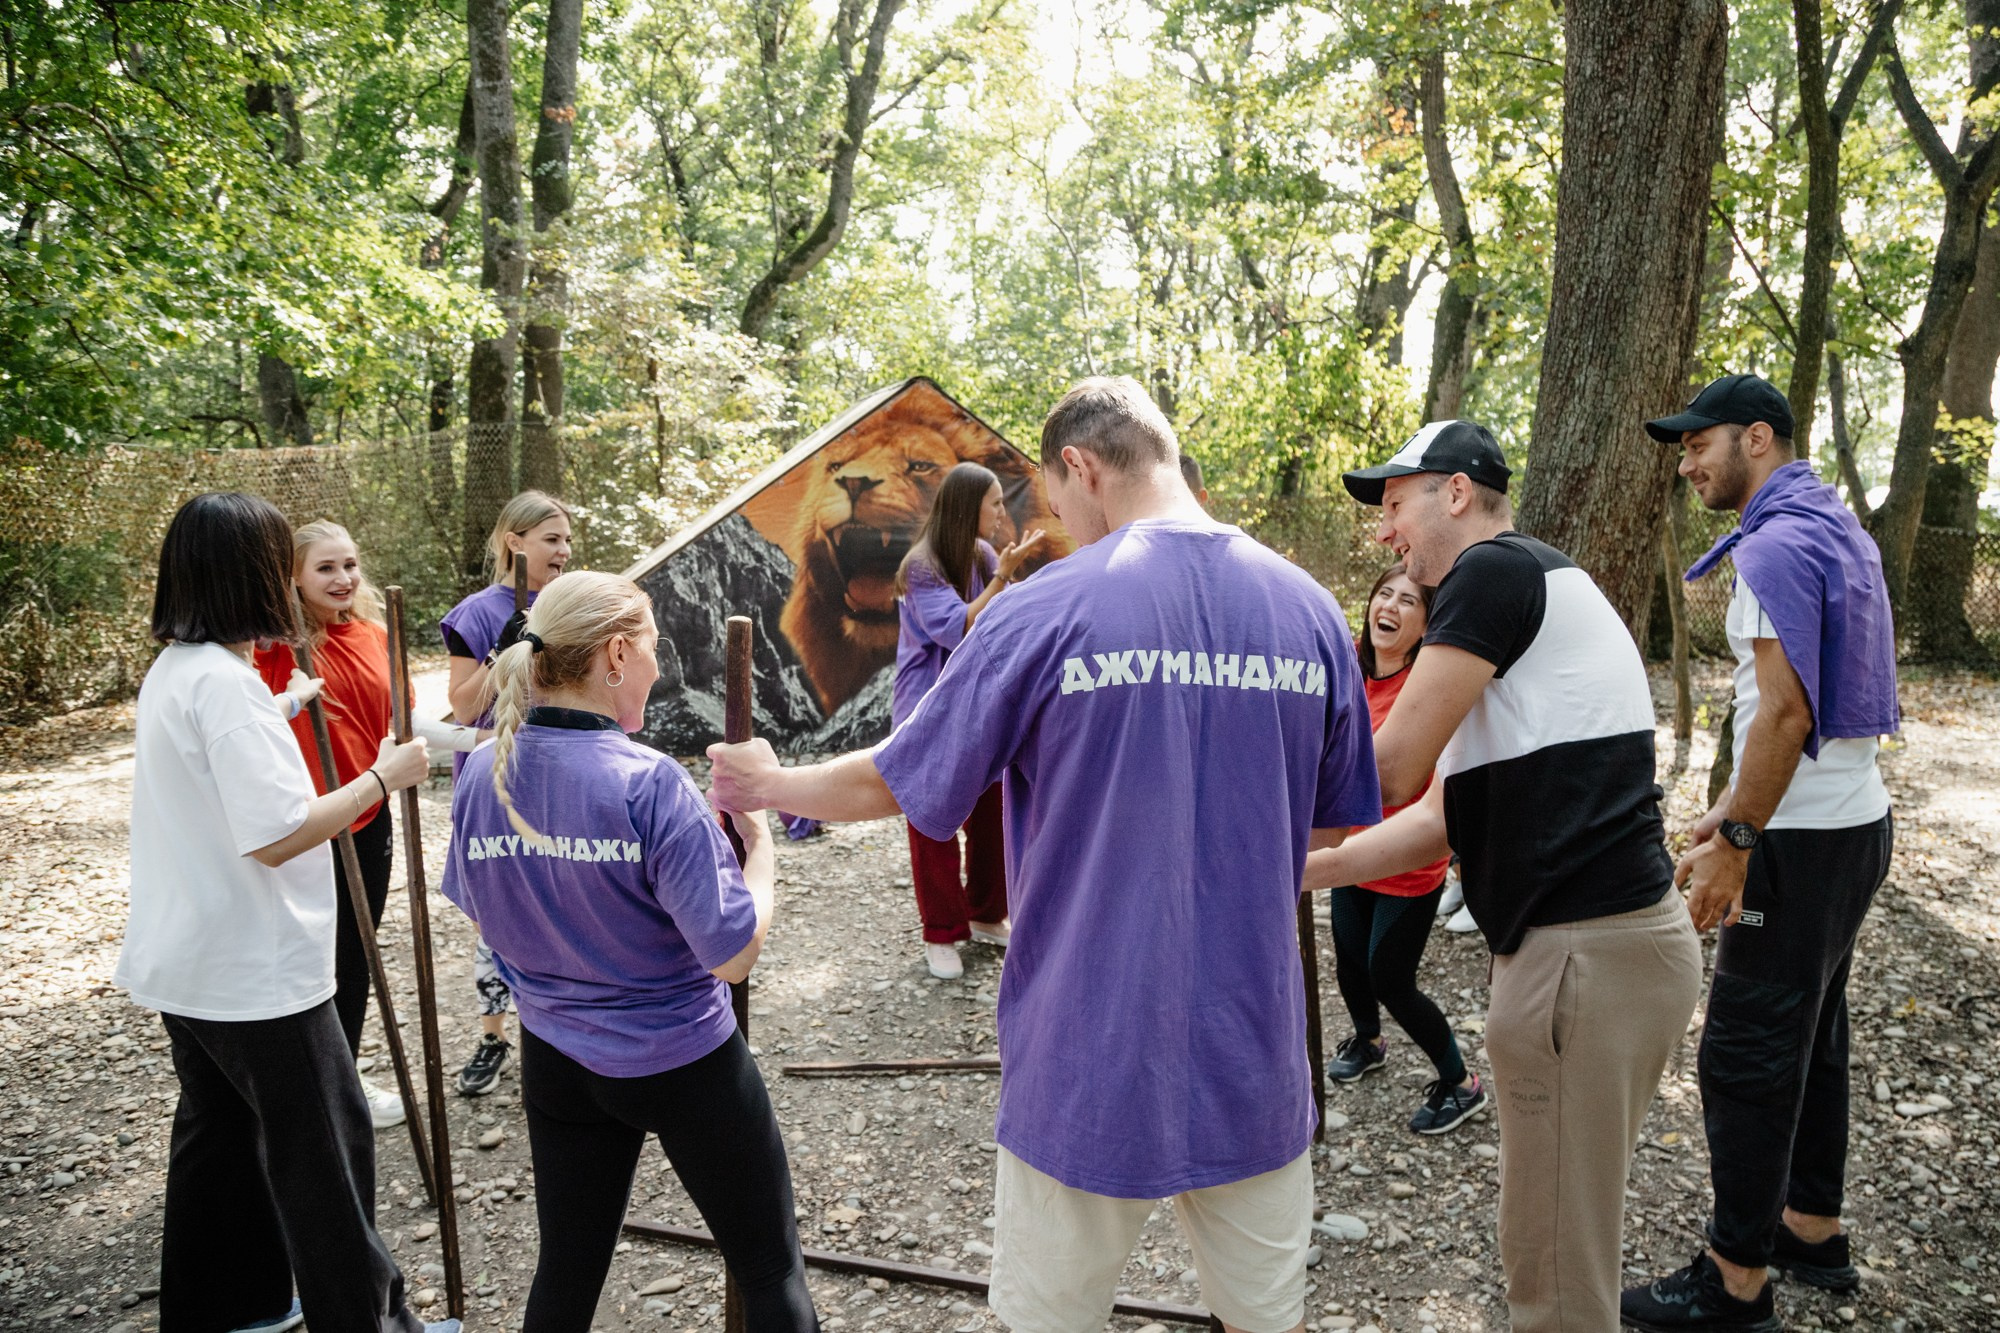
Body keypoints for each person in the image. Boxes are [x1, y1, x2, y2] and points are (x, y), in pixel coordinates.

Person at [710, 376, 1380, 1333]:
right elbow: (1324, 831)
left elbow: (908, 782)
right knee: (1266, 1320)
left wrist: (771, 784)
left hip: (1083, 1056)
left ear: (1082, 465)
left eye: (1058, 499)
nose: (1057, 519)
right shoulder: (1309, 609)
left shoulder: (1043, 609)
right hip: (1251, 1052)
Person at [1304, 419, 1702, 1333]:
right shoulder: (1521, 597)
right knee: (1555, 1236)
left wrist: (1240, 817)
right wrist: (1306, 866)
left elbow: (1390, 767)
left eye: (1394, 502)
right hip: (1602, 953)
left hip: (1582, 957)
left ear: (1454, 493)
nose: (1383, 531)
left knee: (1554, 1272)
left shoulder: (1491, 572)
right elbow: (1439, 816)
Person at [439, 571, 815, 1331]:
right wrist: (760, 850)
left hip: (556, 1060)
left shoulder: (483, 770)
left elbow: (486, 917)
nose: (655, 663)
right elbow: (733, 955)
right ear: (615, 653)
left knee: (568, 1268)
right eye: (650, 648)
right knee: (770, 1268)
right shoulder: (650, 784)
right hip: (683, 1062)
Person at [116, 492, 450, 1333]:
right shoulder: (224, 687)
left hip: (188, 963)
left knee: (219, 1143)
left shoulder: (180, 671)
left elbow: (220, 776)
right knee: (327, 1157)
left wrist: (283, 708)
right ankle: (369, 1323)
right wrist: (384, 778)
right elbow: (275, 835)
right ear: (252, 576)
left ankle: (232, 1309)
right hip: (254, 974)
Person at [1622, 375, 1898, 1333]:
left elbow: (1785, 709)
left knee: (1744, 1047)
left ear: (1758, 438)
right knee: (1814, 1031)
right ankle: (1809, 1226)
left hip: (1800, 840)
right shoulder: (1834, 524)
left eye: (1700, 444)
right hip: (1854, 822)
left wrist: (1740, 838)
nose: (1689, 463)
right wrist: (1736, 807)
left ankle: (1734, 1279)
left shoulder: (1774, 544)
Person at [254, 521, 484, 1132]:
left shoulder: (377, 635)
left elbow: (406, 726)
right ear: (292, 576)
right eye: (325, 568)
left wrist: (480, 741)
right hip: (302, 826)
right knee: (306, 962)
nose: (344, 578)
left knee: (354, 958)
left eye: (350, 565)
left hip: (368, 819)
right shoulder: (269, 647)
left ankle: (341, 1078)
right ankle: (303, 1092)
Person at [1321, 562, 1485, 1136]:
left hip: (1408, 863)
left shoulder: (1427, 688)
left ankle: (1462, 1082)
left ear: (1427, 623)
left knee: (1391, 977)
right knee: (1348, 965)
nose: (1389, 607)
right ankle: (1369, 1041)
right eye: (1383, 595)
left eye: (1408, 601)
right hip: (1350, 852)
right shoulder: (1346, 670)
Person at [439, 489, 572, 1096]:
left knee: (567, 898)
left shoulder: (574, 604)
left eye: (568, 540)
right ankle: (494, 1036)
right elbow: (463, 708)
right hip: (497, 774)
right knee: (495, 915)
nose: (564, 550)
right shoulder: (476, 612)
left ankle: (564, 1030)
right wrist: (502, 653)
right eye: (552, 539)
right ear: (515, 543)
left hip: (564, 771)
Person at [892, 461, 1046, 979]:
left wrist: (1016, 576)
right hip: (927, 707)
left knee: (991, 807)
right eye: (996, 503)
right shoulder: (922, 565)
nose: (1002, 512)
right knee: (933, 820)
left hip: (977, 700)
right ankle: (941, 932)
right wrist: (1003, 574)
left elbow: (1006, 612)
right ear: (967, 506)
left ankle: (983, 913)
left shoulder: (981, 554)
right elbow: (959, 627)